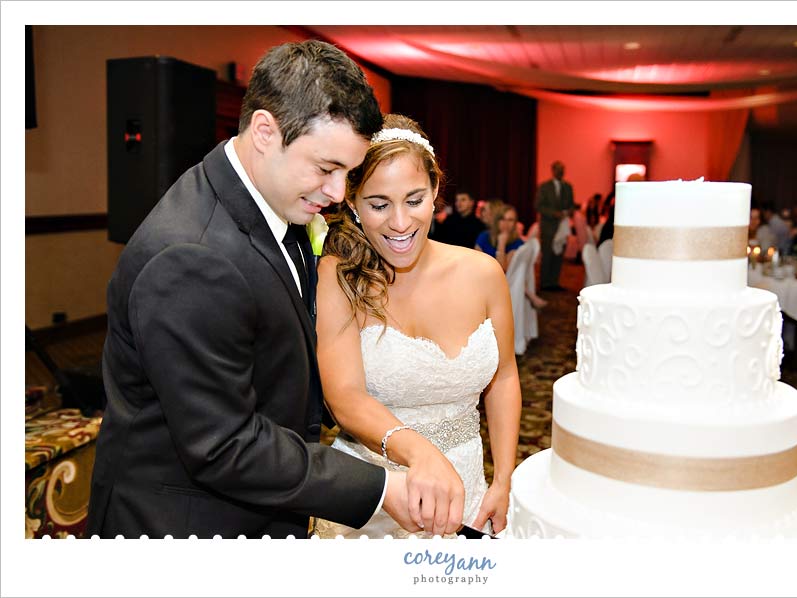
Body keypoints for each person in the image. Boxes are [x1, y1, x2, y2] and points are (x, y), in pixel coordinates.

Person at [86, 41, 422, 539]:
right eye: (326, 168)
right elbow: (224, 444)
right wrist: (379, 488)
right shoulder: (190, 257)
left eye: (347, 174)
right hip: (187, 527)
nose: (336, 193)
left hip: (258, 504)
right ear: (265, 131)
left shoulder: (271, 202)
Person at [313, 114, 522, 538]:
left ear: (435, 192)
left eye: (414, 200)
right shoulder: (339, 277)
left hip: (468, 486)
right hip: (372, 496)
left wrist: (503, 480)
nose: (401, 223)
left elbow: (503, 378)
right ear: (352, 203)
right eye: (378, 204)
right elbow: (345, 399)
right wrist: (419, 451)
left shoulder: (484, 274)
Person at [476, 203, 548, 309]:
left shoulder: (517, 243)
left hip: (502, 285)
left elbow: (503, 271)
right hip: (481, 278)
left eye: (510, 220)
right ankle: (531, 296)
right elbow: (477, 263)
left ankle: (531, 296)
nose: (506, 224)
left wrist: (501, 244)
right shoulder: (484, 236)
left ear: (515, 223)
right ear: (497, 221)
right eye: (502, 219)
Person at [535, 160, 574, 290]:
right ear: (553, 170)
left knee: (559, 255)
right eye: (558, 169)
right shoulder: (544, 187)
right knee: (547, 254)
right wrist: (553, 213)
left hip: (563, 226)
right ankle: (545, 283)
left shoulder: (568, 187)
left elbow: (571, 205)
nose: (561, 172)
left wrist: (569, 211)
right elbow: (538, 206)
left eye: (563, 169)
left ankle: (554, 282)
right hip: (548, 226)